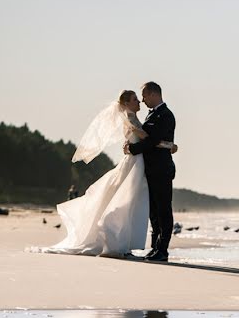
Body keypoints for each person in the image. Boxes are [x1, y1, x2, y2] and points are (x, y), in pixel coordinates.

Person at [33, 89, 176, 257]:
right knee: (127, 202)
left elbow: (148, 140)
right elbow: (148, 139)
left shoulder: (149, 116)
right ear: (127, 103)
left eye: (142, 97)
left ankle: (149, 247)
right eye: (136, 99)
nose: (140, 101)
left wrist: (165, 145)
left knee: (137, 204)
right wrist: (168, 146)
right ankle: (122, 241)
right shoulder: (131, 119)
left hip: (141, 164)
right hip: (135, 164)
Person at [123, 82, 176, 263]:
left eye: (144, 96)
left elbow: (152, 141)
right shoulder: (151, 114)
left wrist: (133, 148)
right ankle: (155, 247)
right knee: (154, 211)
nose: (143, 100)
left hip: (162, 169)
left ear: (154, 94)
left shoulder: (166, 115)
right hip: (150, 170)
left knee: (163, 210)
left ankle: (163, 250)